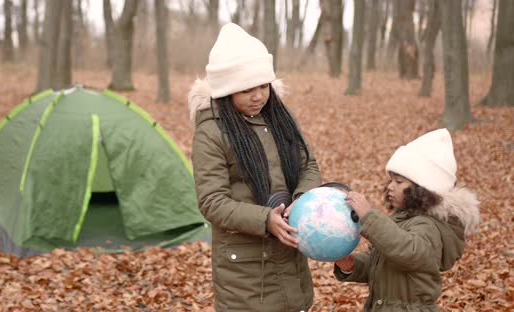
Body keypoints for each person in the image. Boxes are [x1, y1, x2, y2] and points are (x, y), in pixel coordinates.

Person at [188, 23, 322, 312]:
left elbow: (307, 164)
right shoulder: (212, 132)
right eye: (247, 89)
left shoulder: (279, 117)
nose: (258, 96)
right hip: (245, 274)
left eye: (263, 86)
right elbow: (212, 202)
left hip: (290, 258)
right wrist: (265, 220)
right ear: (226, 89)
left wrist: (303, 200)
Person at [334, 128, 481, 311]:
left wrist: (369, 216)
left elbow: (408, 252)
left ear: (422, 189)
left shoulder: (428, 226)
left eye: (399, 182)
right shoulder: (401, 219)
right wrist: (351, 265)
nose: (390, 187)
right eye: (391, 180)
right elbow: (381, 262)